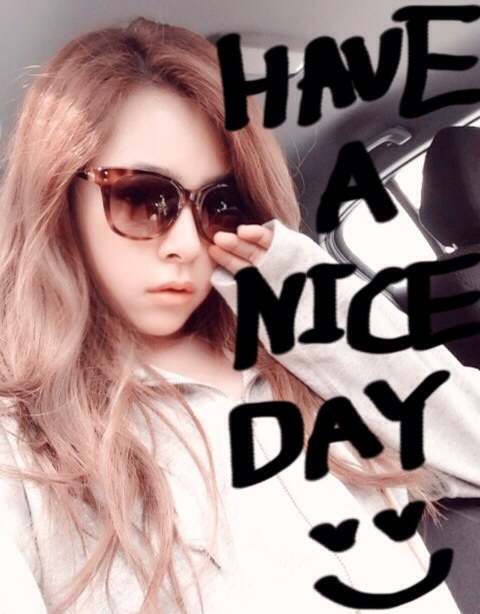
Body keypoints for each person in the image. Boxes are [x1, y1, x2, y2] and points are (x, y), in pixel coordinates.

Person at [0, 16, 478, 614]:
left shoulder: (309, 367)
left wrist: (303, 294)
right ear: (58, 199)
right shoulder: (22, 438)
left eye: (217, 203)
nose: (187, 243)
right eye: (144, 197)